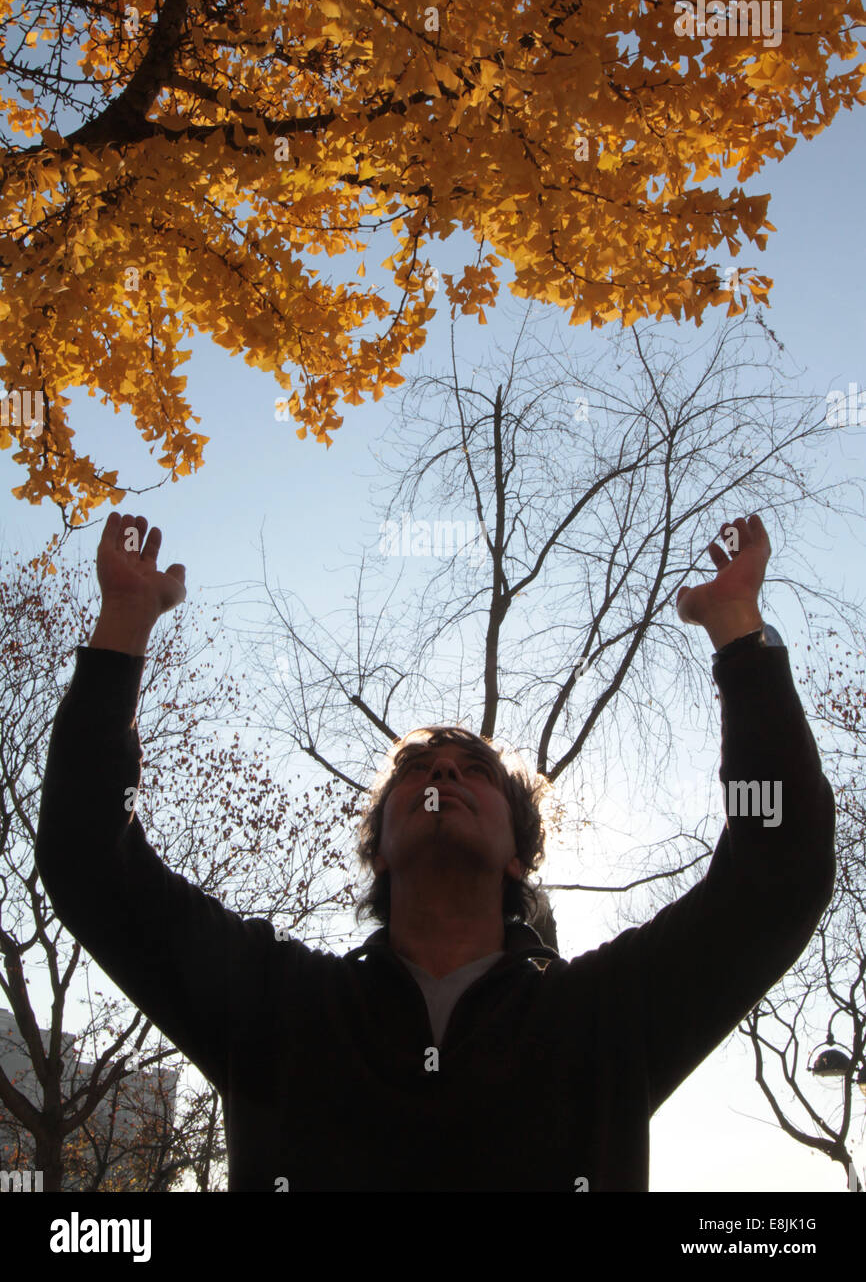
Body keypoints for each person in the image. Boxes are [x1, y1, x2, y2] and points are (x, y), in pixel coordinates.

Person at [36, 510, 835, 1191]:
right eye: (416, 771)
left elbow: (778, 870)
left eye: (473, 772)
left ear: (521, 856)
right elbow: (87, 862)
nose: (443, 772)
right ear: (377, 849)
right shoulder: (277, 1005)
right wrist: (123, 627)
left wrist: (739, 634)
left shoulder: (602, 1017)